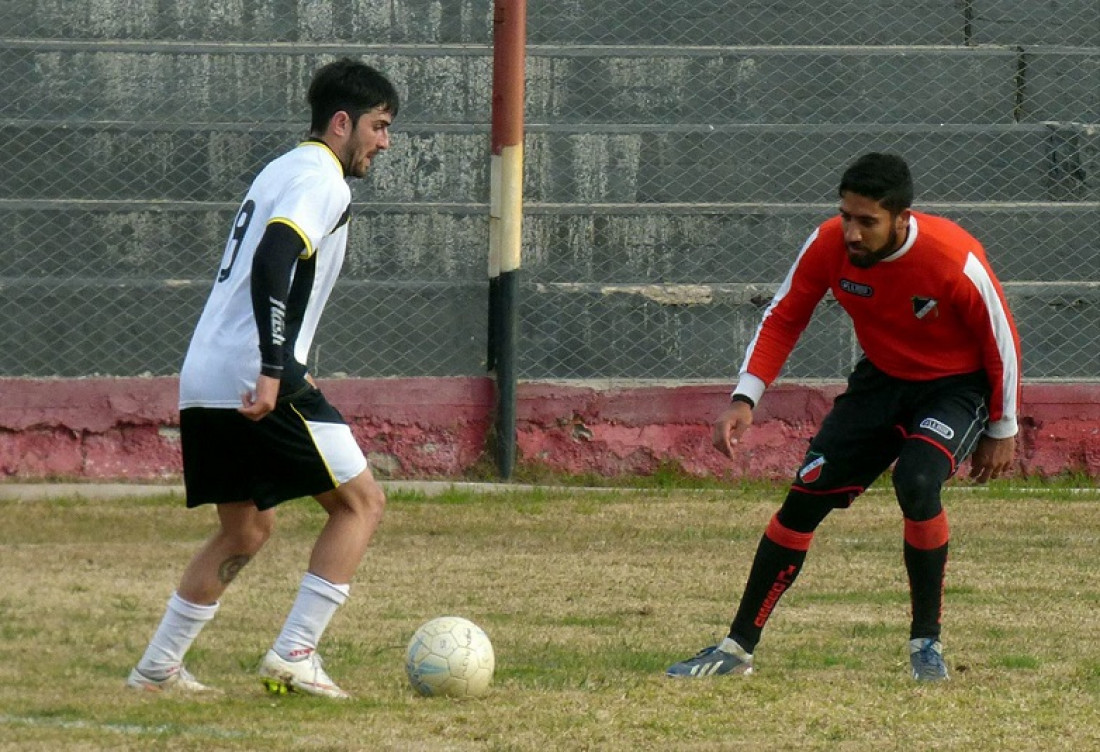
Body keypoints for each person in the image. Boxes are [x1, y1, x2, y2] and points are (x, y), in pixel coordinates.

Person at [666, 152, 1021, 683]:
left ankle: (926, 646)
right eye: (846, 216)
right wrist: (745, 398)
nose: (851, 233)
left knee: (917, 479)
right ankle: (736, 649)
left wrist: (1003, 426)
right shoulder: (828, 243)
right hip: (879, 383)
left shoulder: (954, 258)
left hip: (953, 390)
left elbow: (1003, 344)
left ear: (902, 217)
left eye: (866, 221)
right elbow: (785, 315)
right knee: (802, 501)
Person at [127, 58, 399, 699]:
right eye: (380, 127)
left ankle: (157, 667)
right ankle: (296, 653)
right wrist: (276, 369)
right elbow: (276, 258)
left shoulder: (280, 168)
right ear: (343, 122)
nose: (384, 143)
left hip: (206, 376)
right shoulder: (322, 179)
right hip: (259, 376)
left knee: (246, 527)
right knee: (361, 503)